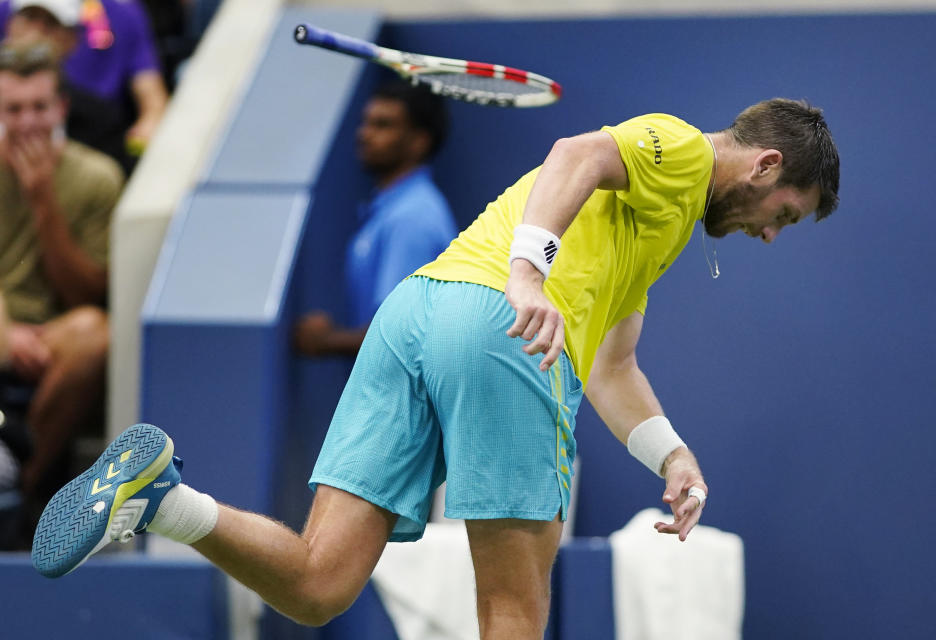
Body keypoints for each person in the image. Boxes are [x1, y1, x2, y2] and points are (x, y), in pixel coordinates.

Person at [32, 98, 839, 639]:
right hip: (501, 322)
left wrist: (670, 455)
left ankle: (161, 500)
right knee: (514, 607)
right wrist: (528, 273)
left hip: (416, 314)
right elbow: (576, 154)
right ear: (766, 166)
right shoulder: (679, 150)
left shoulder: (651, 230)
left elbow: (613, 367)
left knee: (320, 586)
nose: (772, 234)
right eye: (786, 217)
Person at [0, 44, 122, 541]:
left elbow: (88, 294)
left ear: (61, 109)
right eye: (13, 109)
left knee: (95, 334)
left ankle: (22, 494)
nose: (28, 122)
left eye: (39, 107)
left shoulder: (96, 177)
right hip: (5, 326)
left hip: (52, 338)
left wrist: (43, 202)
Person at [294, 82, 456, 357]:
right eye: (366, 122)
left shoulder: (412, 218)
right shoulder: (397, 209)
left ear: (419, 141)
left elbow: (401, 336)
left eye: (382, 125)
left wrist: (326, 340)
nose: (364, 134)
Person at [0, 0, 169, 163]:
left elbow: (152, 102)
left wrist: (143, 135)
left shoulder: (99, 120)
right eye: (29, 19)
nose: (35, 34)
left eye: (49, 24)